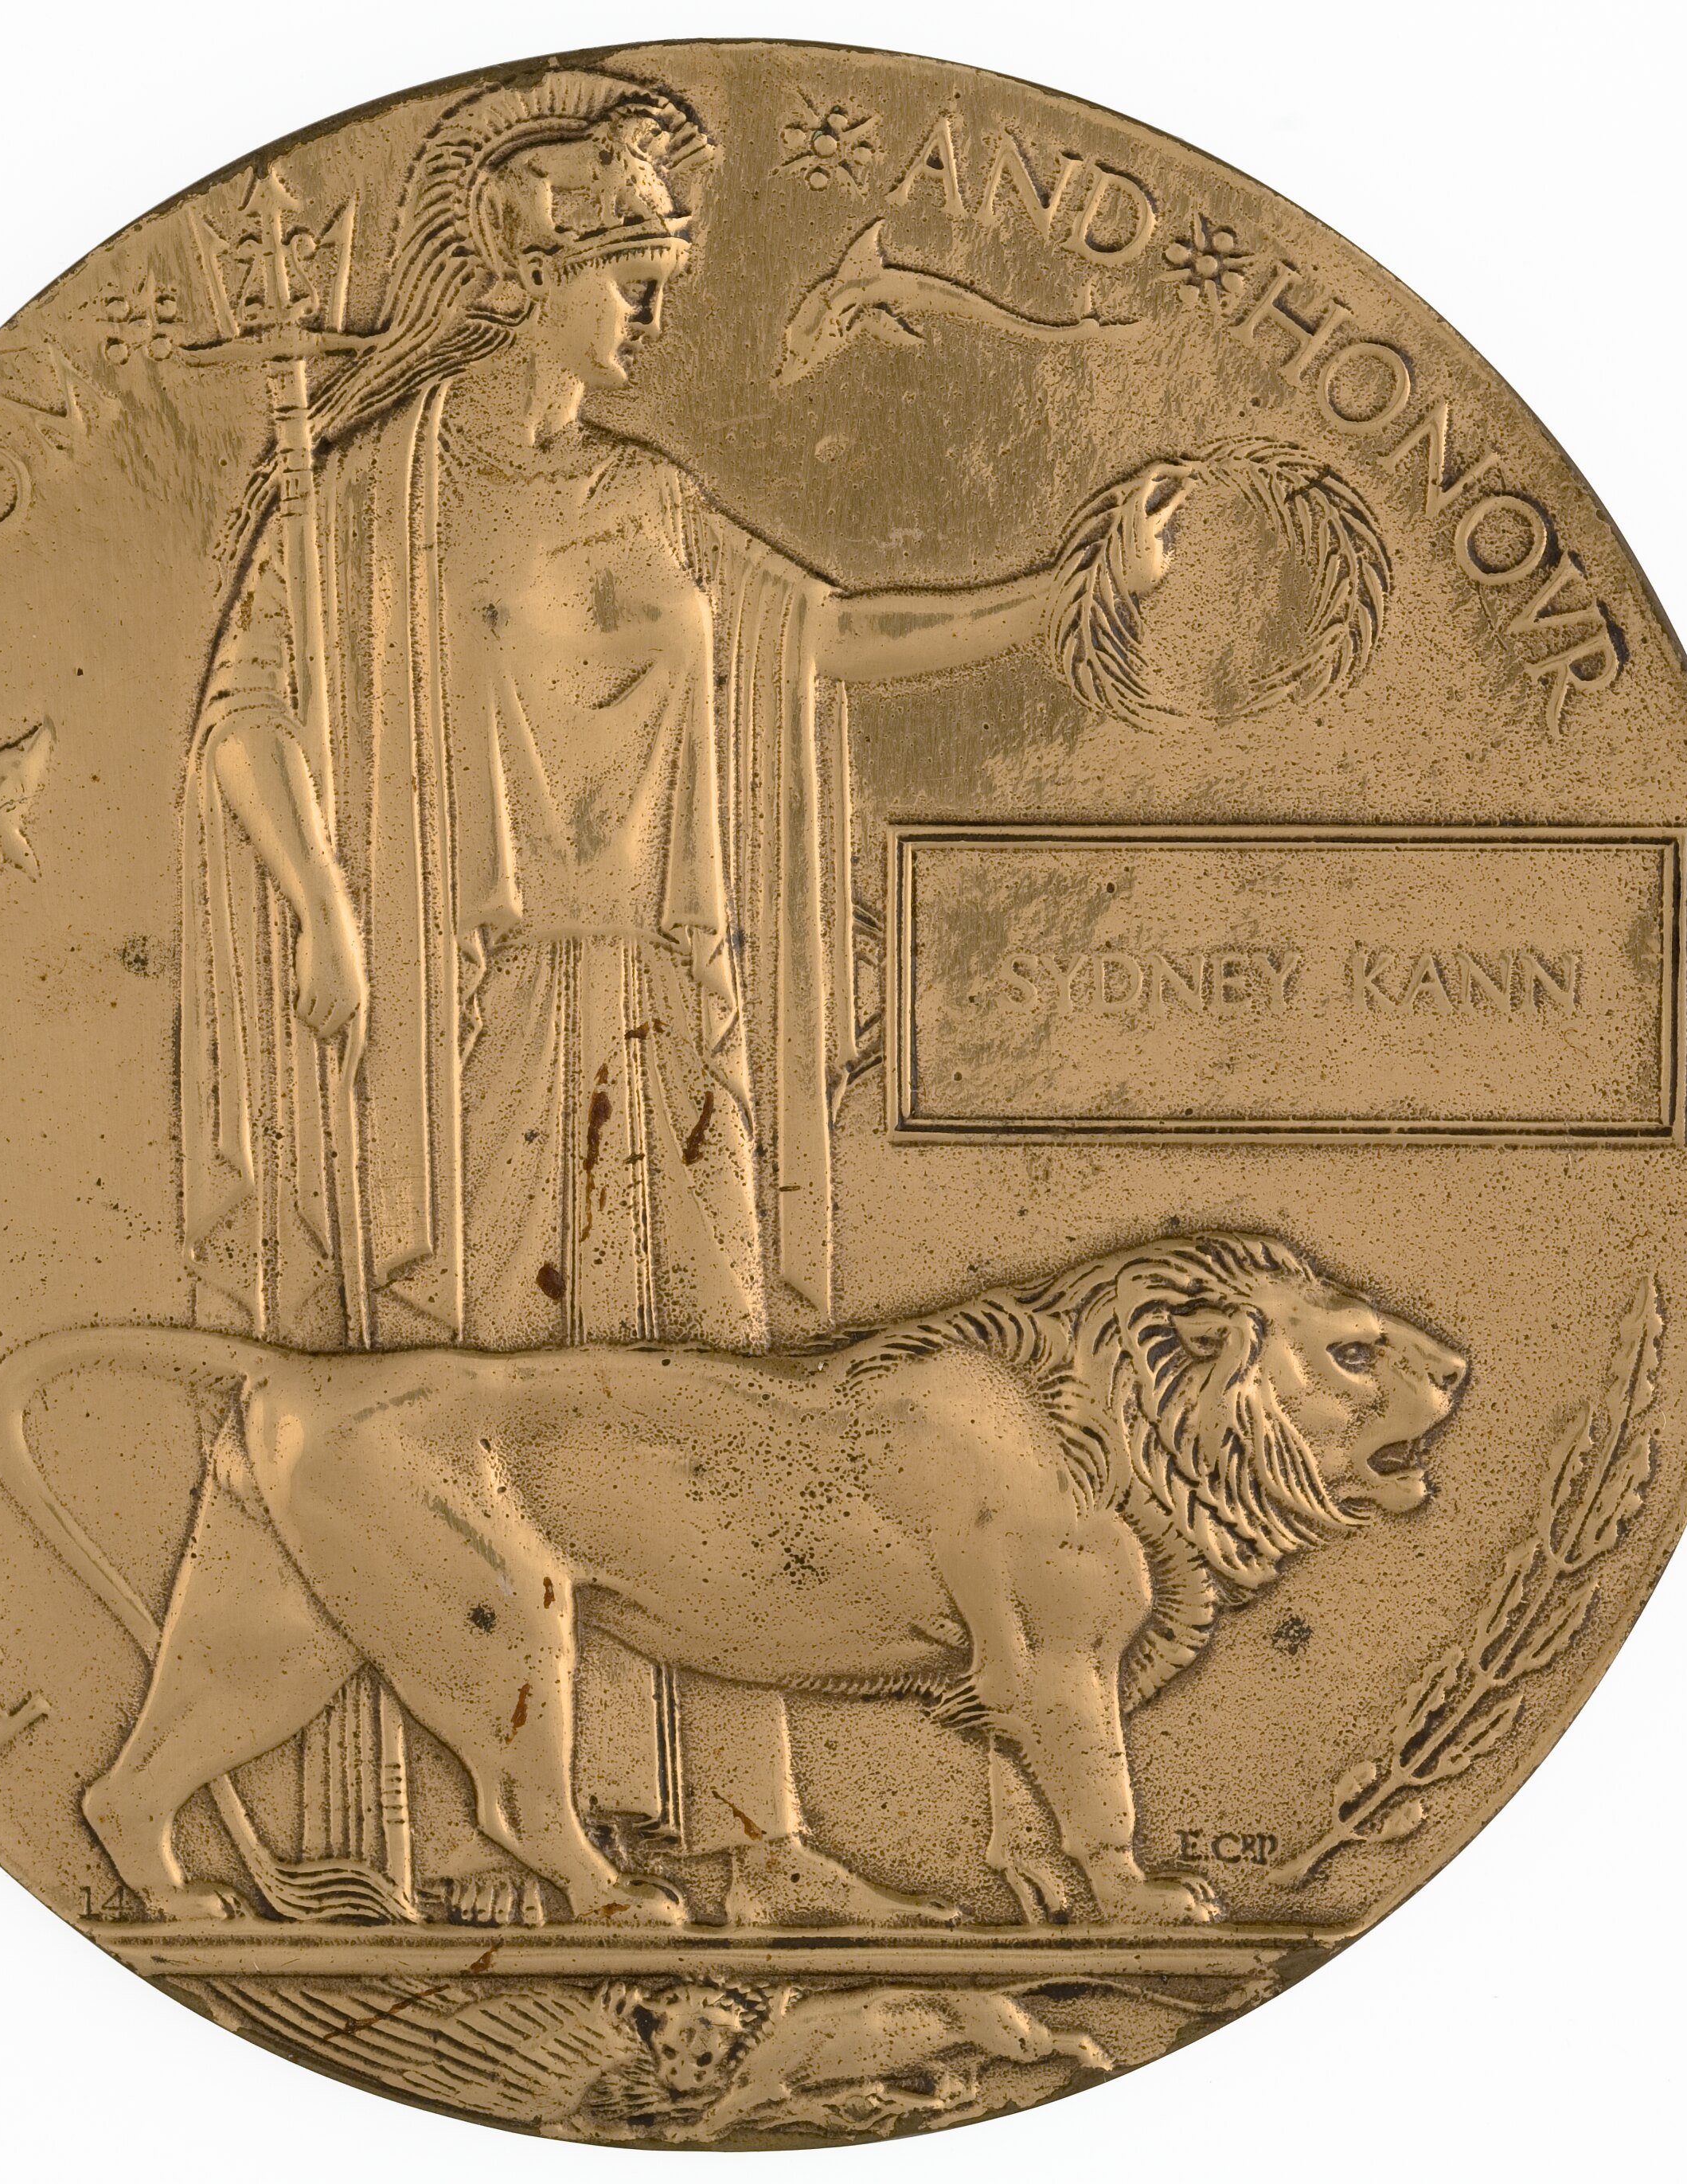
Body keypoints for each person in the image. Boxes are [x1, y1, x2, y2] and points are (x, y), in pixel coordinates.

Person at [180, 68, 1063, 1922]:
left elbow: (826, 636)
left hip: (663, 1018)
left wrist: (1058, 595)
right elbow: (248, 711)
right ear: (528, 269)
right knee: (486, 1429)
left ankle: (748, 1837)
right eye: (635, 274)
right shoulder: (366, 498)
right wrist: (326, 911)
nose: (658, 312)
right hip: (471, 1025)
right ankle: (502, 1834)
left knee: (720, 1427)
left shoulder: (654, 498)